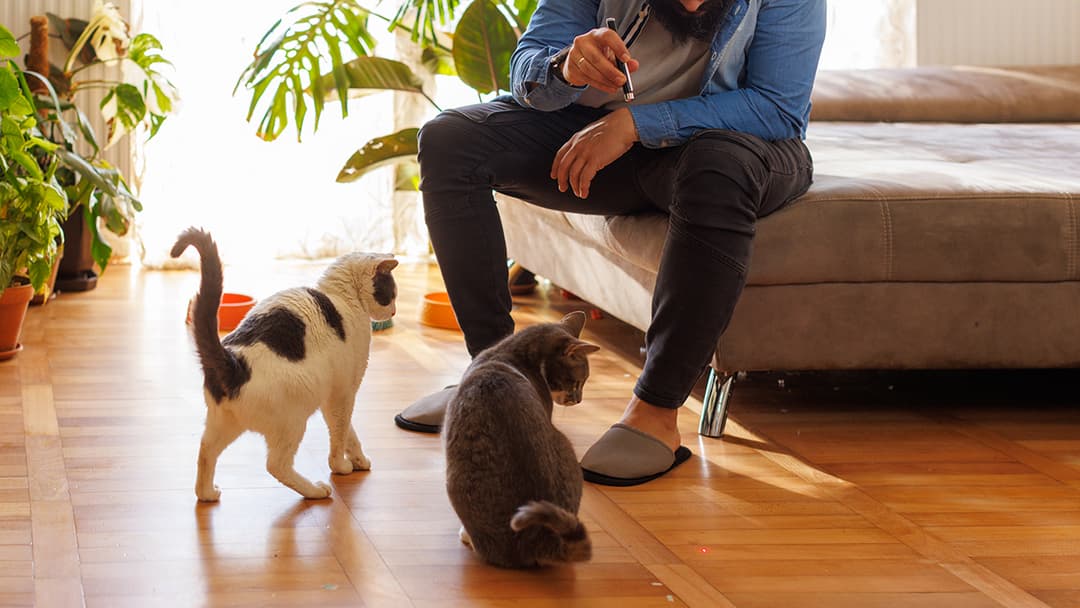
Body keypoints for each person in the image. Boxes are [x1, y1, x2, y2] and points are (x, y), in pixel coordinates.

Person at [394, 0, 827, 486]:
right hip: (604, 141)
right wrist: (565, 68)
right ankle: (496, 378)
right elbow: (528, 66)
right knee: (449, 141)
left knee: (716, 169)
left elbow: (777, 106)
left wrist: (636, 124)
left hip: (727, 147)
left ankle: (656, 412)